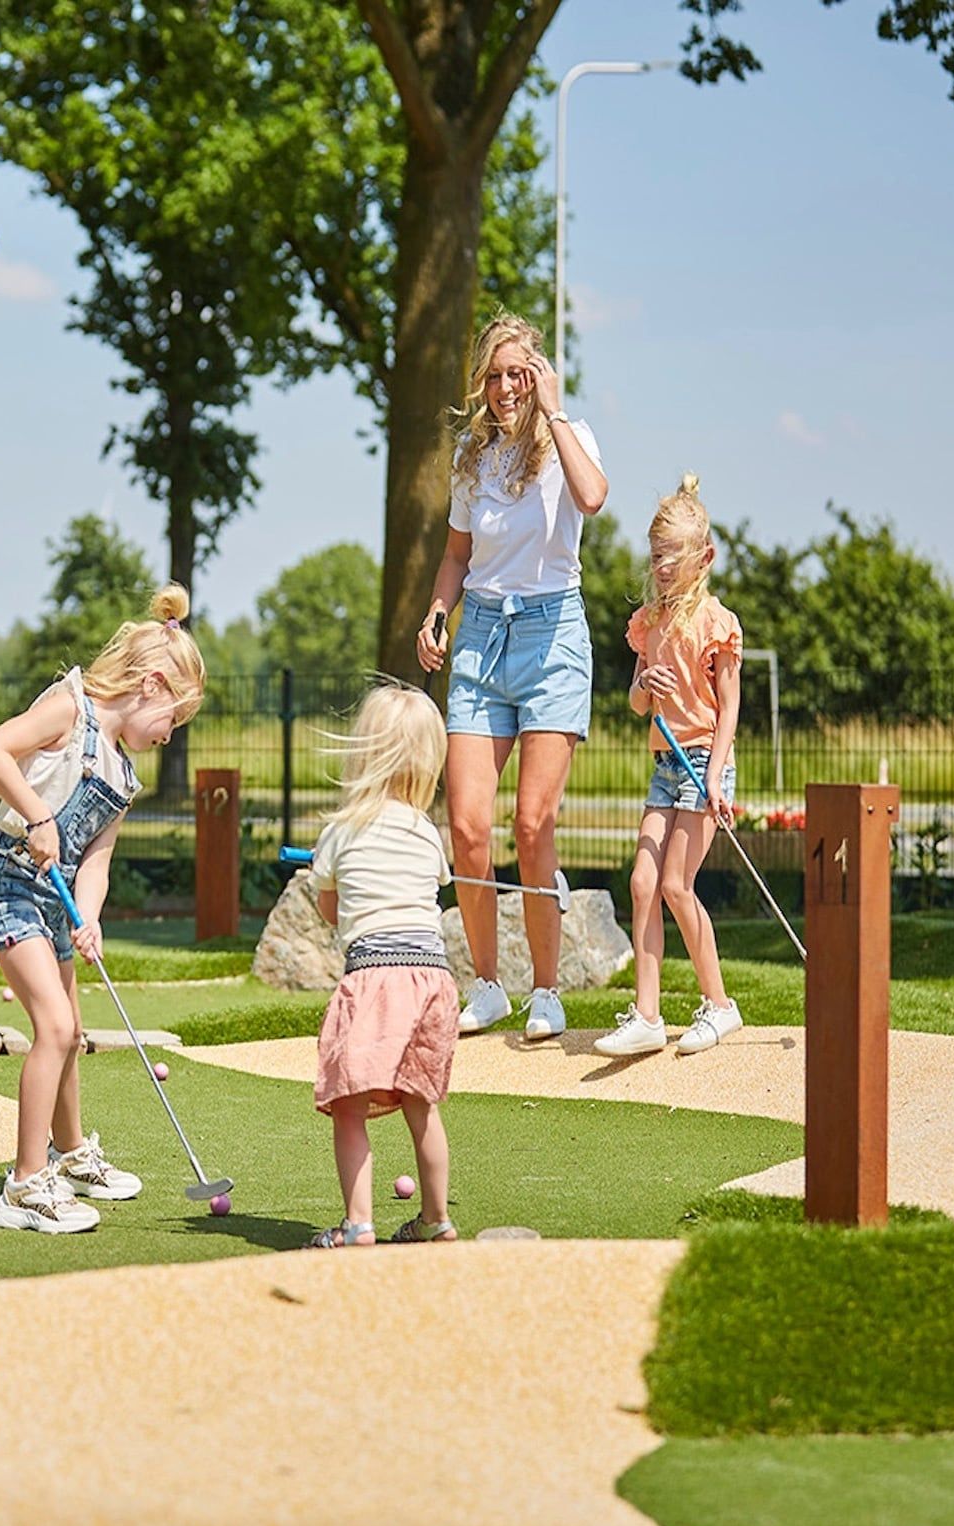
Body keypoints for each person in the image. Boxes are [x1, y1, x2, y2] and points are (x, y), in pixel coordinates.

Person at [0, 586, 206, 1233]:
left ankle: (70, 1155)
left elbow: (95, 859)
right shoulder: (67, 709)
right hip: (9, 885)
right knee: (54, 1028)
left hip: (56, 903)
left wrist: (90, 916)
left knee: (71, 1030)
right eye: (173, 721)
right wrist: (38, 814)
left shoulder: (122, 775)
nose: (167, 737)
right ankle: (22, 1184)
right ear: (152, 684)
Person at [417, 311, 607, 1041]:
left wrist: (553, 409)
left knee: (533, 825)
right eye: (494, 376)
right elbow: (457, 557)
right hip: (482, 638)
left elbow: (592, 499)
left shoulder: (570, 438)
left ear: (540, 377)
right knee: (467, 828)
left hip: (552, 631)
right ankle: (489, 985)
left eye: (518, 374)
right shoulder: (471, 453)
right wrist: (438, 610)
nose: (505, 388)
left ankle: (547, 990)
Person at [304, 684, 461, 1248]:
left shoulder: (341, 829)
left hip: (374, 974)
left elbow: (329, 908)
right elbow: (431, 894)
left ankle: (358, 1224)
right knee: (422, 1104)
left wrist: (329, 889)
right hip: (433, 978)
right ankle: (436, 1218)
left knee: (349, 1106)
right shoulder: (426, 832)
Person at [596, 475, 746, 1058]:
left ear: (702, 558)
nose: (662, 566)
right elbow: (637, 701)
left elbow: (730, 705)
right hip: (665, 764)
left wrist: (715, 775)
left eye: (674, 556)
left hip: (705, 760)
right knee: (642, 883)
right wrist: (646, 686)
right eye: (656, 555)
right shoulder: (650, 624)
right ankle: (648, 1013)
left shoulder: (714, 622)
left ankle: (719, 1004)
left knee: (678, 886)